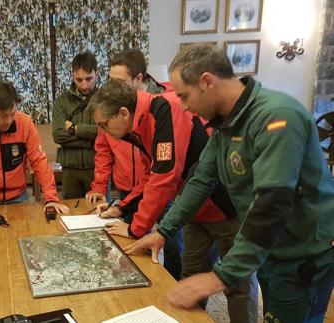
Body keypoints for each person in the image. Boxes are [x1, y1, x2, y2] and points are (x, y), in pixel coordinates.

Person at [126, 44, 334, 323]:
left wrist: (220, 277)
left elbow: (271, 204)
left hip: (304, 256)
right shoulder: (227, 125)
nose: (184, 106)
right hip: (272, 252)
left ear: (207, 82)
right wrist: (163, 231)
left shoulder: (277, 117)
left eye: (185, 96)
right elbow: (200, 180)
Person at [89, 79, 257, 322]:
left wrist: (136, 228)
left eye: (104, 125)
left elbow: (164, 177)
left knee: (237, 286)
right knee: (190, 281)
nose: (104, 133)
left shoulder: (164, 109)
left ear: (123, 113)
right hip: (194, 212)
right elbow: (150, 174)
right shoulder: (140, 126)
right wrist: (121, 208)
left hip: (228, 210)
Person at [0, 79, 69, 222]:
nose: (9, 121)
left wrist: (51, 198)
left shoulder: (25, 123)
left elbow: (39, 162)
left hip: (19, 198)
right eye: (3, 116)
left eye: (12, 114)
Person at [86, 49, 168, 224]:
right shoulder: (108, 108)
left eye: (119, 82)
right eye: (110, 81)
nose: (112, 88)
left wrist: (136, 229)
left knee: (170, 243)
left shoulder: (161, 110)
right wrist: (100, 187)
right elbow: (103, 151)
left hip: (159, 188)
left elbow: (161, 173)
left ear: (138, 79)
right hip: (128, 190)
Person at [52, 52, 99, 199]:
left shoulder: (105, 99)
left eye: (88, 79)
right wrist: (90, 139)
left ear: (97, 74)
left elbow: (105, 133)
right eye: (79, 80)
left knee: (99, 214)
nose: (84, 85)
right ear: (72, 76)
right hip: (69, 171)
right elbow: (58, 135)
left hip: (97, 169)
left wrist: (74, 129)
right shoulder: (61, 101)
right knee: (70, 214)